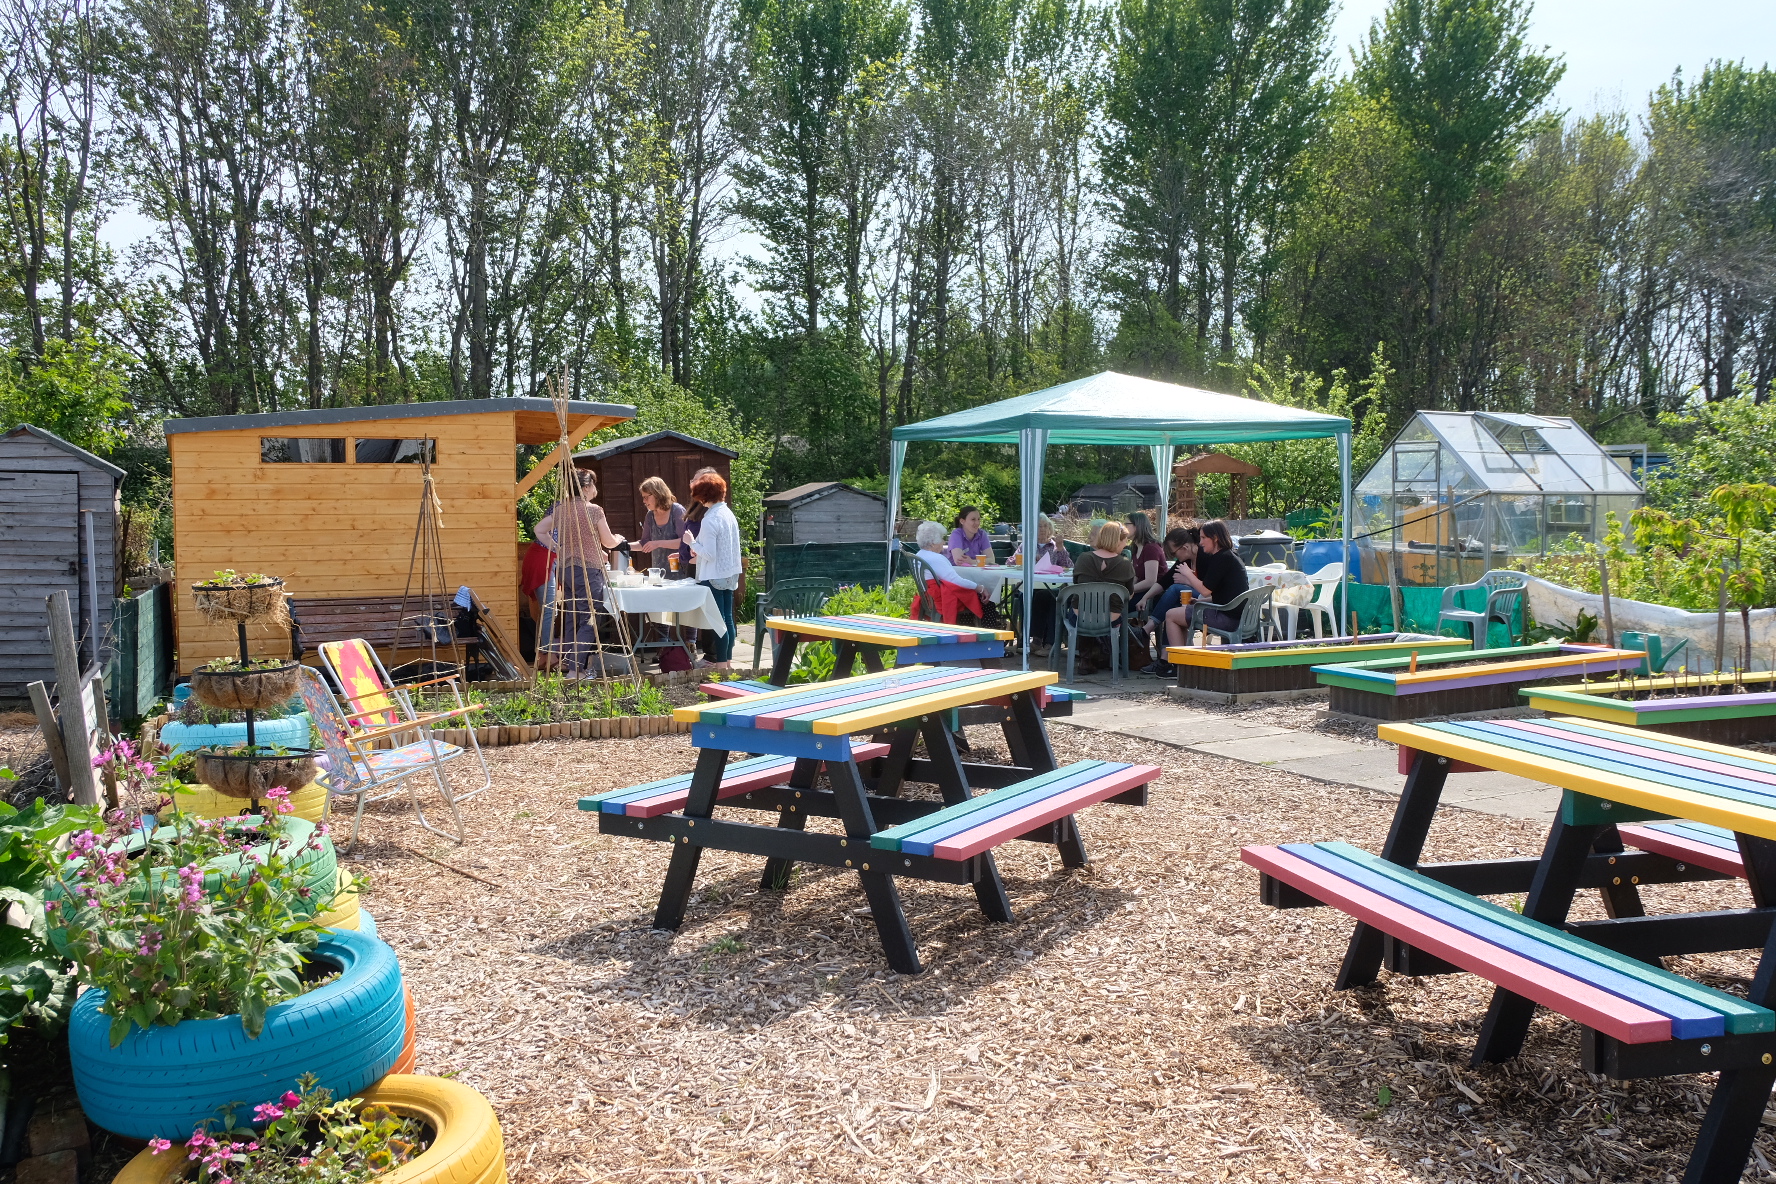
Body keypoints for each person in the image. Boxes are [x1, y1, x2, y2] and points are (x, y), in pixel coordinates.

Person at [535, 470, 625, 673]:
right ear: (585, 488)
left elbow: (539, 530)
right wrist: (618, 539)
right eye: (593, 485)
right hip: (589, 571)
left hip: (566, 570)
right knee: (590, 618)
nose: (595, 489)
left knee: (571, 617)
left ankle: (568, 664)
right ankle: (576, 669)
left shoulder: (560, 511)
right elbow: (608, 541)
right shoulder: (594, 510)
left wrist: (558, 547)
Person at [683, 470, 742, 670]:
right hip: (730, 573)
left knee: (719, 622)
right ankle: (728, 662)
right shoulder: (728, 514)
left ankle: (721, 665)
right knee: (728, 619)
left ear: (704, 495)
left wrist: (692, 543)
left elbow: (709, 554)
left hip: (714, 575)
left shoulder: (709, 519)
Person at [1165, 519, 1248, 649]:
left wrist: (1187, 574)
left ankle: (1179, 663)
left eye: (1204, 538)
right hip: (1236, 615)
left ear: (1215, 538)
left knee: (1170, 615)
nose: (1200, 542)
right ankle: (1188, 659)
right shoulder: (1229, 556)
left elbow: (1204, 590)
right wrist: (1200, 602)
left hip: (1228, 618)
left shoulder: (1221, 558)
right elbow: (1227, 594)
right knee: (1178, 615)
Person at [1137, 526, 1199, 675]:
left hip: (1206, 600)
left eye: (1173, 553)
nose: (1174, 557)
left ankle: (1148, 628)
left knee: (1176, 588)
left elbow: (1209, 587)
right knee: (1171, 611)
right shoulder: (1184, 561)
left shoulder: (1205, 558)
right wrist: (1145, 597)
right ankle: (1165, 660)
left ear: (1184, 547)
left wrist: (1188, 580)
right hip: (1191, 601)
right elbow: (1164, 581)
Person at [915, 519, 986, 592]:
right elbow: (956, 581)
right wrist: (979, 588)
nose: (943, 542)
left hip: (927, 596)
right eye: (941, 539)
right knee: (977, 594)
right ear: (932, 543)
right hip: (940, 598)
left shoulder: (919, 555)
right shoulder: (937, 558)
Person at [635, 476, 686, 572]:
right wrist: (623, 545)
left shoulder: (677, 511)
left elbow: (685, 542)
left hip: (680, 573)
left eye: (646, 497)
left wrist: (658, 543)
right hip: (659, 574)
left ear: (658, 494)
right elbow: (644, 543)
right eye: (643, 498)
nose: (644, 501)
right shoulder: (650, 515)